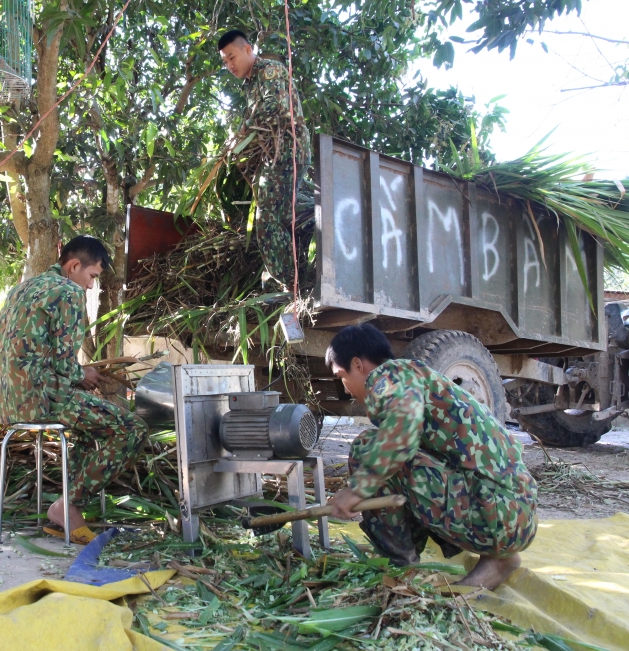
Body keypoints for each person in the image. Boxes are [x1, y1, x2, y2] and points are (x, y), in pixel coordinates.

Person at [325, 324, 537, 589]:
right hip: (512, 515)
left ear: (357, 365)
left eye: (341, 376)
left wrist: (357, 489)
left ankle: (399, 564)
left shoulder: (388, 377)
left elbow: (401, 433)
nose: (345, 389)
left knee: (366, 448)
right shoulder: (414, 376)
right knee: (391, 455)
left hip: (496, 513)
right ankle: (498, 558)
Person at [0, 236, 148, 544]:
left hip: (10, 402)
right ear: (74, 266)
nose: (89, 286)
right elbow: (64, 361)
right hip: (45, 400)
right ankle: (66, 505)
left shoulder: (21, 289)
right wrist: (81, 374)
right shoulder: (68, 292)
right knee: (132, 429)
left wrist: (20, 372)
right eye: (92, 277)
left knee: (91, 430)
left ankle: (69, 513)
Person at [218, 29, 311, 292]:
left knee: (268, 217)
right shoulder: (250, 83)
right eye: (225, 62)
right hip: (275, 156)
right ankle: (292, 275)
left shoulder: (270, 71)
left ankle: (288, 284)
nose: (229, 66)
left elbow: (270, 108)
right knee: (277, 213)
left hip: (288, 152)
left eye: (232, 57)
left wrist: (240, 136)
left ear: (248, 49)